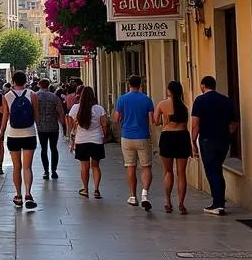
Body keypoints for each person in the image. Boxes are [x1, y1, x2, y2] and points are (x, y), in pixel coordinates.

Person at [189, 75, 237, 215]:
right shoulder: (226, 100)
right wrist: (227, 133)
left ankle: (217, 203)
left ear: (203, 86)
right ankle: (220, 200)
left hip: (207, 141)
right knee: (218, 169)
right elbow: (234, 123)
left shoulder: (200, 101)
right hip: (223, 141)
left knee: (212, 171)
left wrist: (193, 141)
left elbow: (195, 124)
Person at [114, 75, 156, 211]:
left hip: (127, 136)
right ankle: (145, 194)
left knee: (130, 167)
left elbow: (116, 118)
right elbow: (151, 121)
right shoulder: (147, 100)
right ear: (141, 84)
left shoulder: (122, 99)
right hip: (143, 136)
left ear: (128, 84)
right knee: (146, 167)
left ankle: (132, 196)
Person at [0, 70, 39, 210]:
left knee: (17, 167)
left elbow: (5, 115)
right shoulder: (32, 94)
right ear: (25, 81)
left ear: (13, 81)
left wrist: (1, 130)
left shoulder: (7, 96)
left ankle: (18, 196)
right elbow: (36, 115)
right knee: (27, 167)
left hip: (13, 134)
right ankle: (28, 194)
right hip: (29, 133)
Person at [155, 80, 192, 214]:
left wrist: (164, 121)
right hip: (182, 137)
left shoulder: (162, 104)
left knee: (168, 172)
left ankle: (168, 202)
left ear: (169, 91)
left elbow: (156, 121)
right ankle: (181, 204)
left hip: (167, 138)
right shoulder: (184, 107)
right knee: (181, 173)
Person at [68, 85, 107, 199]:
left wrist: (71, 139)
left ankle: (85, 189)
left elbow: (71, 125)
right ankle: (96, 189)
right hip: (96, 140)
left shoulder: (76, 108)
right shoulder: (99, 109)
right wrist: (103, 137)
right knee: (95, 166)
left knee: (84, 167)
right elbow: (104, 125)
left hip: (81, 140)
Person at [36, 78, 66, 180]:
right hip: (53, 126)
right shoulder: (54, 97)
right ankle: (54, 170)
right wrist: (63, 125)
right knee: (54, 148)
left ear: (39, 85)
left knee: (43, 149)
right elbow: (61, 112)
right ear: (48, 85)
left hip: (41, 127)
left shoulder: (35, 96)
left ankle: (46, 171)